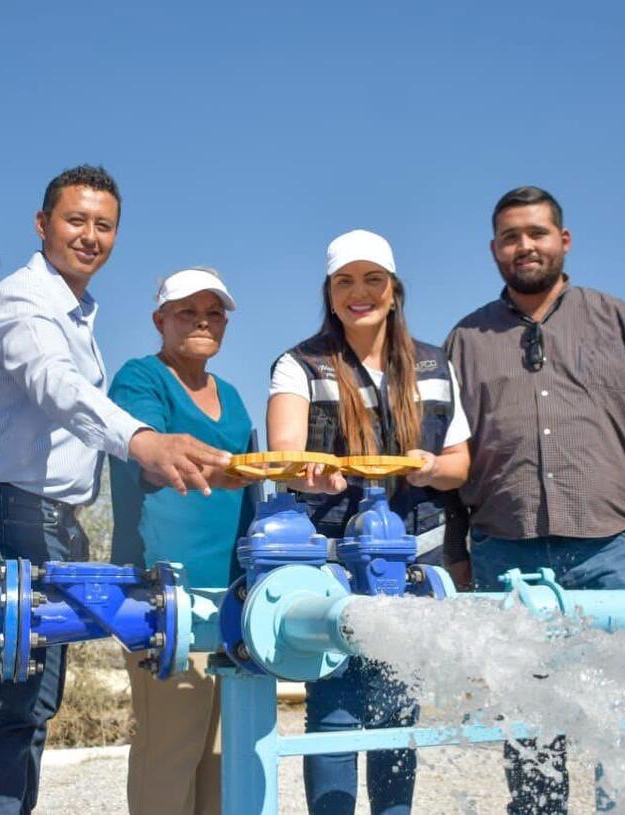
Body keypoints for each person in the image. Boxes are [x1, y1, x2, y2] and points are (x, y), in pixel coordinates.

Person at [0, 165, 233, 815]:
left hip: (44, 516)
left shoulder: (78, 313)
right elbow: (56, 386)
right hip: (1, 508)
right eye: (76, 220)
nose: (90, 235)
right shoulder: (23, 299)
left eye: (104, 225)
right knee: (14, 699)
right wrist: (144, 441)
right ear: (42, 224)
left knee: (33, 703)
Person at [443, 186, 625, 814]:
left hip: (611, 551)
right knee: (532, 731)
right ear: (493, 250)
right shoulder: (465, 340)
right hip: (505, 555)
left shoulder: (619, 323)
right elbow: (451, 455)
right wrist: (456, 554)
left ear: (563, 241)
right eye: (510, 237)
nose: (524, 246)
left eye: (536, 233)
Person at [267, 229, 471, 815]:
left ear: (394, 289)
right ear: (329, 293)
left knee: (396, 710)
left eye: (372, 280)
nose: (360, 293)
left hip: (414, 565)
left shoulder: (435, 366)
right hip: (330, 569)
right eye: (345, 282)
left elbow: (460, 463)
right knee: (334, 705)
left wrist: (430, 467)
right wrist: (311, 474)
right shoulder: (297, 365)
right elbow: (285, 451)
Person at [109, 266, 258, 815]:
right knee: (171, 746)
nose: (203, 321)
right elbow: (154, 459)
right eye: (187, 311)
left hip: (231, 599)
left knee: (220, 754)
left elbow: (253, 490)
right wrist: (242, 469)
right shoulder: (140, 378)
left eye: (214, 312)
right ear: (160, 320)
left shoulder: (236, 398)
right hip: (163, 596)